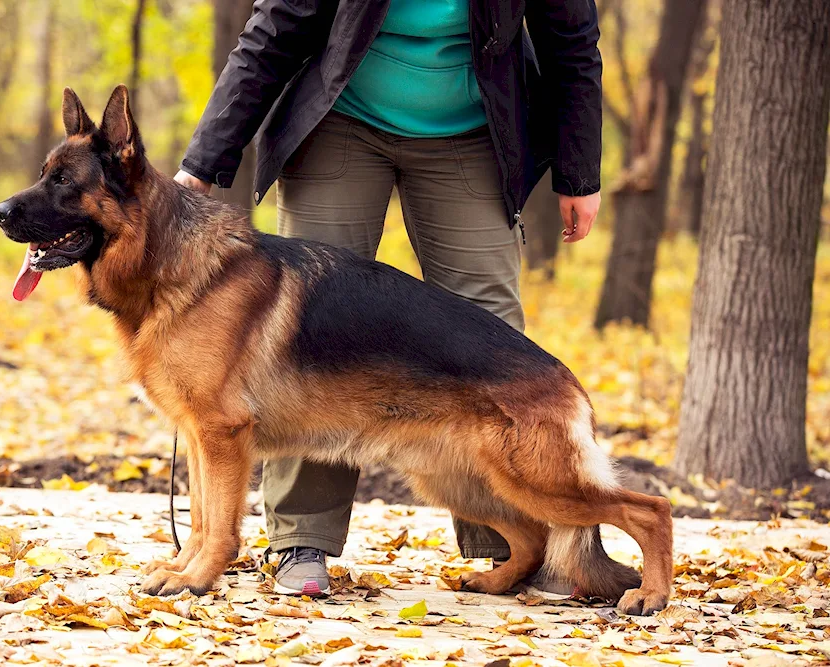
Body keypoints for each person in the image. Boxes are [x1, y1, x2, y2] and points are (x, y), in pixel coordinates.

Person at [175, 0, 602, 596]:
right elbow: (273, 30)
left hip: (475, 133)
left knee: (490, 321)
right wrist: (203, 161)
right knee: (307, 328)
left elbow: (571, 45)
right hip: (340, 123)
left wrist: (579, 174)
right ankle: (303, 540)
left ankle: (512, 543)